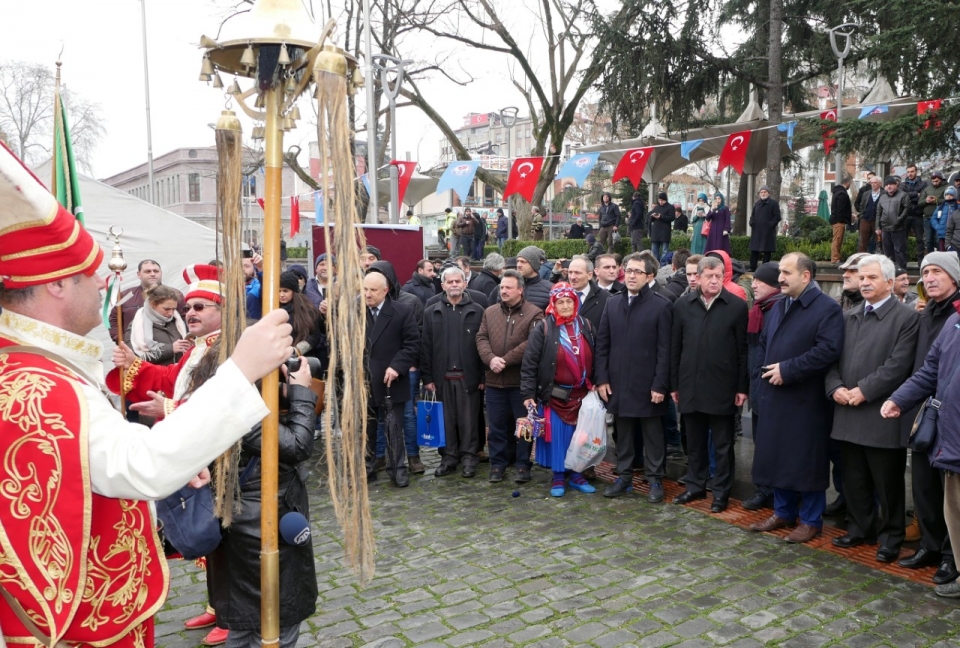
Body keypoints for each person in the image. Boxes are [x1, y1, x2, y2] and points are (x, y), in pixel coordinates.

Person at [0, 137, 292, 648]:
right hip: (71, 630)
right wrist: (242, 370)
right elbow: (140, 465)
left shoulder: (29, 367)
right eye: (92, 275)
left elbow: (101, 464)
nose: (106, 286)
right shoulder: (37, 384)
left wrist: (181, 447)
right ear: (55, 284)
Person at [202, 341, 318, 648]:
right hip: (260, 524)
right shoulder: (240, 406)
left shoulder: (218, 393)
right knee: (275, 624)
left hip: (240, 520)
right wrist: (301, 393)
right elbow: (296, 446)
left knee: (245, 624)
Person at [827, 254, 919, 563]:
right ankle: (859, 527)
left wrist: (863, 391)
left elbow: (898, 365)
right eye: (862, 277)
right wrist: (836, 387)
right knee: (853, 478)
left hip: (881, 414)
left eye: (872, 278)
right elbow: (832, 360)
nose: (864, 282)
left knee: (887, 482)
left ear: (890, 283)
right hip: (847, 410)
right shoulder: (849, 316)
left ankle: (891, 536)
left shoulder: (906, 318)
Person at [748, 254, 844, 543]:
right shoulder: (780, 305)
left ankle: (811, 520)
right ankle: (783, 511)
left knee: (806, 460)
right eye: (780, 272)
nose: (780, 278)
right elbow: (767, 343)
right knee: (779, 456)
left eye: (787, 272)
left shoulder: (826, 308)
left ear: (806, 276)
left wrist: (788, 370)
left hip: (807, 400)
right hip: (776, 395)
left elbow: (828, 350)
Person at [883, 270, 960, 597]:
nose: (928, 278)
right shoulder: (954, 324)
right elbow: (930, 370)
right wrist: (899, 399)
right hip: (951, 438)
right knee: (953, 510)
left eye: (936, 272)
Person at [671, 255, 748, 513]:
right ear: (699, 277)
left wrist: (741, 387)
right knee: (693, 442)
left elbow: (742, 351)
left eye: (718, 276)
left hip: (722, 387)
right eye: (709, 276)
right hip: (690, 385)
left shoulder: (736, 306)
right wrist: (674, 384)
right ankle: (695, 485)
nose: (714, 280)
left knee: (723, 445)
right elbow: (675, 349)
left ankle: (721, 492)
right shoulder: (683, 306)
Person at [596, 253, 673, 502]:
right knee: (624, 433)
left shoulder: (661, 305)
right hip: (618, 383)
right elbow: (603, 344)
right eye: (628, 270)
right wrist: (602, 379)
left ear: (649, 276)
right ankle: (624, 476)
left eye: (637, 272)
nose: (630, 275)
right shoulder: (613, 303)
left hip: (648, 385)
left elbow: (665, 350)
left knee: (652, 435)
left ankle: (655, 480)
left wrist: (660, 384)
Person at [521, 283, 597, 497]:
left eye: (569, 301)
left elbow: (598, 355)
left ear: (576, 303)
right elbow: (530, 364)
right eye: (560, 302)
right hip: (554, 395)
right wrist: (528, 394)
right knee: (558, 437)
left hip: (582, 395)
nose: (565, 305)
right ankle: (557, 477)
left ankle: (577, 475)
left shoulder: (587, 325)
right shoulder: (543, 328)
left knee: (579, 437)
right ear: (553, 304)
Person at [476, 270, 544, 483]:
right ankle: (498, 464)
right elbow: (481, 338)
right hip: (495, 381)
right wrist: (490, 359)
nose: (503, 291)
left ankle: (523, 465)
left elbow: (532, 344)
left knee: (524, 426)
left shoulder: (535, 313)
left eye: (508, 287)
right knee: (496, 426)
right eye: (502, 287)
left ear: (520, 290)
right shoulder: (490, 312)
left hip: (521, 383)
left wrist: (504, 359)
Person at [421, 266, 486, 477]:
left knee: (469, 421)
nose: (454, 285)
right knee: (446, 420)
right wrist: (427, 377)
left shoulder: (478, 311)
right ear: (443, 285)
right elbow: (426, 346)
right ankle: (448, 458)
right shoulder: (431, 311)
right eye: (450, 282)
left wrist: (483, 376)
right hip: (442, 377)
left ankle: (469, 458)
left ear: (465, 283)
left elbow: (484, 345)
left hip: (469, 376)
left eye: (458, 281)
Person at [362, 271, 420, 486]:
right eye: (365, 289)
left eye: (373, 290)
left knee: (393, 428)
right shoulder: (355, 312)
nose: (367, 294)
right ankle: (367, 468)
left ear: (385, 291)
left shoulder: (402, 311)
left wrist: (397, 366)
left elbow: (412, 344)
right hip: (364, 381)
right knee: (366, 429)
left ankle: (398, 469)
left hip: (390, 382)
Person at [740, 262, 785, 511]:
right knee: (761, 444)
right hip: (758, 390)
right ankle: (763, 489)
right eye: (753, 280)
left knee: (775, 445)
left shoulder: (779, 309)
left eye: (760, 281)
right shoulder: (758, 309)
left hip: (775, 392)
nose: (754, 285)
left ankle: (777, 492)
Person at [109, 258, 168, 343]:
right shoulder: (126, 296)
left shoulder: (173, 295)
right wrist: (121, 339)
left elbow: (183, 320)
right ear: (139, 274)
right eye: (148, 271)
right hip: (132, 349)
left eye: (156, 271)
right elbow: (114, 318)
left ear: (161, 273)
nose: (152, 274)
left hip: (166, 348)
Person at [128, 284, 189, 365]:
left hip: (179, 375)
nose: (171, 313)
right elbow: (135, 359)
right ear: (153, 304)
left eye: (174, 309)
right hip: (154, 376)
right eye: (166, 309)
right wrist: (170, 349)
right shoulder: (137, 325)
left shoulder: (178, 321)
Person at [876, 176, 911, 270]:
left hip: (898, 228)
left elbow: (907, 209)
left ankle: (902, 270)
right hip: (885, 228)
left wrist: (898, 220)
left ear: (896, 185)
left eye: (891, 184)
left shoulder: (903, 195)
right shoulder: (882, 197)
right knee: (887, 251)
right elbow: (878, 212)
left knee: (899, 250)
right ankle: (890, 270)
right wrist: (877, 227)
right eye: (887, 185)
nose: (889, 186)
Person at [566, 255, 609, 329]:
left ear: (589, 275)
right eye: (570, 272)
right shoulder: (559, 296)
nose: (572, 277)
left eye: (577, 273)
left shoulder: (606, 299)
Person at [749, 185, 782, 270]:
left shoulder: (773, 204)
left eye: (765, 192)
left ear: (768, 193)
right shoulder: (757, 204)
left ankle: (764, 269)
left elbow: (777, 216)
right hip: (757, 231)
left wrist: (771, 225)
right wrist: (751, 222)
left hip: (768, 231)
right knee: (754, 250)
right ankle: (752, 267)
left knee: (767, 251)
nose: (763, 194)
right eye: (761, 192)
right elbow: (752, 215)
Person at [902, 164, 928, 264]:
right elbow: (903, 196)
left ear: (916, 172)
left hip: (918, 214)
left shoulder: (924, 183)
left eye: (912, 171)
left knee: (920, 239)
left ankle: (920, 261)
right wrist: (915, 194)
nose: (910, 174)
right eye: (908, 172)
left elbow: (922, 198)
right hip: (906, 214)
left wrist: (910, 196)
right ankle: (904, 260)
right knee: (903, 239)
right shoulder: (903, 184)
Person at [920, 171, 947, 256]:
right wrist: (926, 200)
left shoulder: (947, 187)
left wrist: (936, 200)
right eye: (933, 181)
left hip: (941, 218)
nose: (934, 183)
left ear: (941, 180)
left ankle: (941, 258)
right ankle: (930, 258)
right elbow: (920, 202)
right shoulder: (927, 189)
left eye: (937, 181)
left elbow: (949, 200)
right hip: (927, 217)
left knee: (939, 239)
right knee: (928, 240)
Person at [829, 177, 853, 264]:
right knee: (837, 240)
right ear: (848, 183)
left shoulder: (837, 192)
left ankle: (836, 257)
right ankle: (835, 258)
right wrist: (843, 219)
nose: (850, 186)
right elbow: (841, 208)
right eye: (850, 184)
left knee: (837, 239)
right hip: (839, 221)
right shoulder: (842, 194)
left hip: (836, 219)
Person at [858, 175, 882, 253]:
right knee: (863, 242)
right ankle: (861, 260)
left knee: (879, 242)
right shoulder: (866, 194)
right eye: (872, 183)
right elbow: (862, 205)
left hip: (878, 221)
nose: (873, 184)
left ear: (880, 184)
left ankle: (880, 260)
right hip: (865, 219)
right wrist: (862, 216)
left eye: (875, 182)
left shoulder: (884, 193)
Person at [648, 192, 674, 262]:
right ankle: (656, 263)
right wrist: (653, 216)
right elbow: (651, 219)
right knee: (654, 250)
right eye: (659, 200)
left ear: (665, 200)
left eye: (662, 200)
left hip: (665, 231)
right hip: (656, 232)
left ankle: (663, 264)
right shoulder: (656, 207)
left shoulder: (670, 207)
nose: (660, 202)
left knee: (664, 250)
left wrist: (661, 216)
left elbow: (672, 218)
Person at [933, 186, 960, 252]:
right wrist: (938, 227)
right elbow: (933, 219)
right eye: (947, 195)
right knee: (942, 252)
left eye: (951, 195)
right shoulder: (940, 207)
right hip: (942, 234)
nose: (949, 196)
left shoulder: (957, 207)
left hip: (954, 236)